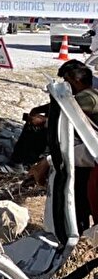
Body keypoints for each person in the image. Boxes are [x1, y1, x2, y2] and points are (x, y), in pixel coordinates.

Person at [20, 61, 98, 231]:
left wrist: (48, 160)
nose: (65, 84)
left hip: (88, 156)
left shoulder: (88, 97)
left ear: (76, 80)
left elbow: (65, 114)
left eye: (67, 80)